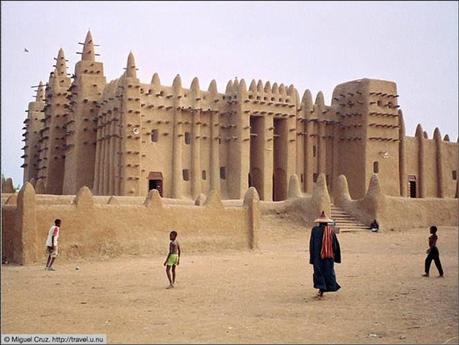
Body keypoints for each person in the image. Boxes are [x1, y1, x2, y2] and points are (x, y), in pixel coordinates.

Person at [309, 211, 341, 298]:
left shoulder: (314, 230)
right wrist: (335, 256)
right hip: (328, 256)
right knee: (328, 272)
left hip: (317, 257)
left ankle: (321, 290)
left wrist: (312, 257)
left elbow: (311, 244)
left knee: (318, 272)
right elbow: (335, 244)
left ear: (319, 222)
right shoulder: (330, 231)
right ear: (327, 222)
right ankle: (325, 288)